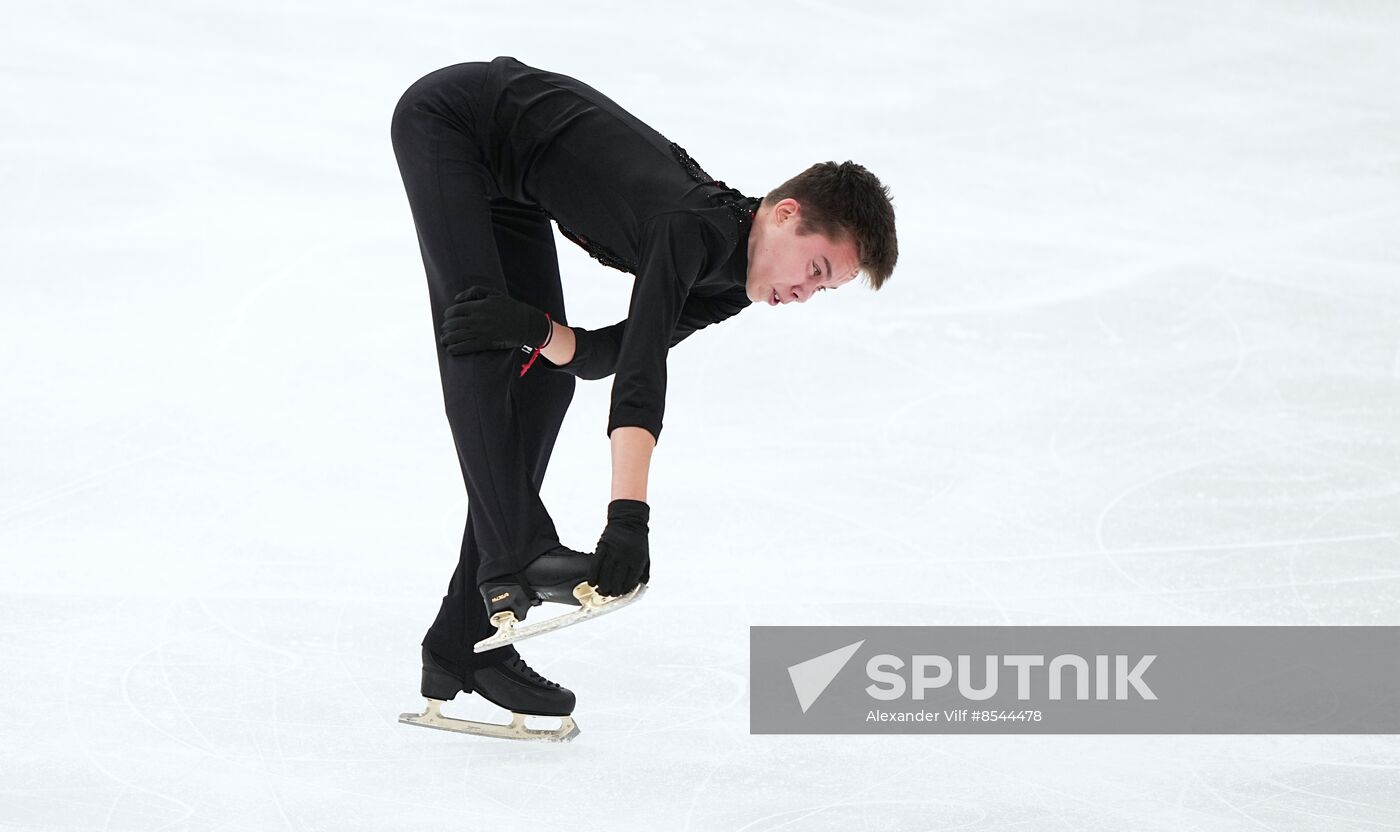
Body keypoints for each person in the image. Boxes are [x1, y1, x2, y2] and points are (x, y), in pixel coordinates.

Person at [390, 56, 897, 741]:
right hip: (453, 120)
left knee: (541, 383)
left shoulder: (726, 285)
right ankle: (514, 555)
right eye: (814, 268)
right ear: (786, 214)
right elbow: (640, 385)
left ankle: (461, 642)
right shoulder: (691, 227)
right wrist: (628, 516)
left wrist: (537, 330)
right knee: (477, 340)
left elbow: (607, 356)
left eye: (823, 288)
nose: (805, 293)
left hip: (507, 180)